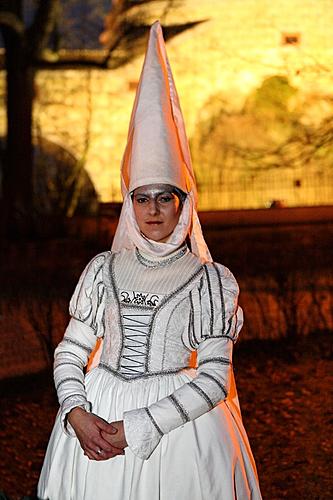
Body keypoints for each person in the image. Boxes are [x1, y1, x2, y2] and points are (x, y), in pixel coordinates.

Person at [38, 21, 262, 500]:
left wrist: (139, 426)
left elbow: (214, 379)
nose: (154, 209)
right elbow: (71, 351)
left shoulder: (210, 281)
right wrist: (77, 413)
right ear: (129, 203)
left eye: (165, 197)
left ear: (183, 202)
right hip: (94, 420)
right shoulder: (103, 270)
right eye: (143, 198)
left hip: (180, 432)